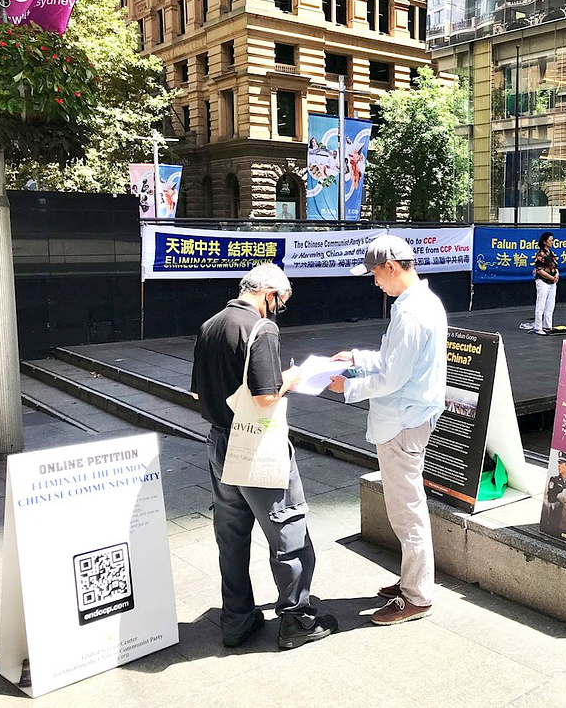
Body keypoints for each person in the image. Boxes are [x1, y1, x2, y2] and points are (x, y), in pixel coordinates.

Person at [191, 263, 338, 650]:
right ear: (270, 294)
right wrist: (291, 378)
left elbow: (197, 393)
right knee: (287, 529)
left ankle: (236, 620)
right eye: (281, 302)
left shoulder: (210, 325)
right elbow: (265, 396)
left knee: (231, 536)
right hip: (257, 445)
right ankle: (297, 619)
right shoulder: (261, 328)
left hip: (218, 442)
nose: (279, 310)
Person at [328, 235, 448, 625]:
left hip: (402, 420)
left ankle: (417, 596)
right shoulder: (421, 303)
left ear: (391, 267)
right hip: (411, 416)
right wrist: (358, 358)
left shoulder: (411, 312)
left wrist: (347, 387)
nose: (375, 282)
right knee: (406, 507)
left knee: (406, 510)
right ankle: (413, 581)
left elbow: (393, 376)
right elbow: (393, 360)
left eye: (375, 275)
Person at [533, 231, 559, 336]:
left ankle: (548, 325)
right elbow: (539, 270)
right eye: (550, 240)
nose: (552, 242)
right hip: (543, 281)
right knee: (541, 305)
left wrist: (556, 274)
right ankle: (538, 327)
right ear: (545, 242)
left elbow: (555, 266)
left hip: (552, 282)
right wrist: (551, 277)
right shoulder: (541, 254)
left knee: (550, 305)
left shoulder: (550, 253)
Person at [542, 452, 566, 534]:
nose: (559, 466)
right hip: (555, 513)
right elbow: (551, 497)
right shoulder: (554, 480)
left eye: (561, 463)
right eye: (558, 463)